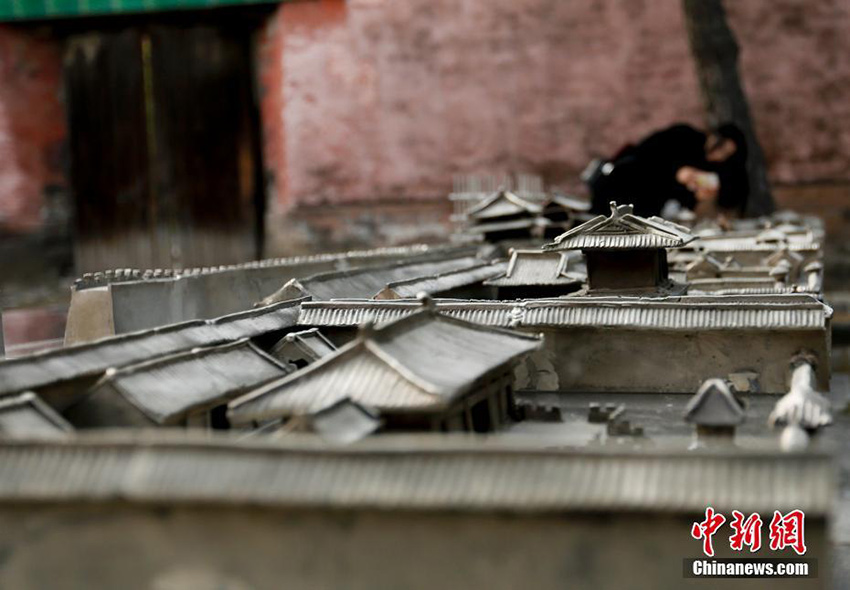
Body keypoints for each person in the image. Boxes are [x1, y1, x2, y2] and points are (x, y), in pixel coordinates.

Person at [585, 122, 749, 219]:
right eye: (720, 147)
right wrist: (677, 171)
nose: (719, 155)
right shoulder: (684, 136)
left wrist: (695, 197)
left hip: (648, 210)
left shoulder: (708, 168)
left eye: (725, 155)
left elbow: (681, 199)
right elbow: (646, 155)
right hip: (623, 187)